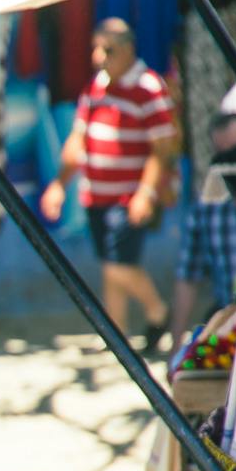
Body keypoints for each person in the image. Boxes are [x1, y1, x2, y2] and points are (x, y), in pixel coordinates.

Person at [40, 18, 179, 351]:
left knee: (118, 265)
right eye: (96, 49)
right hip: (95, 194)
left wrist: (146, 193)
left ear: (128, 49)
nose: (99, 56)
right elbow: (78, 140)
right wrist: (59, 184)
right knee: (111, 265)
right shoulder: (96, 87)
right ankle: (117, 336)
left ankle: (159, 312)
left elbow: (163, 147)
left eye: (108, 49)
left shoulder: (149, 87)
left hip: (128, 195)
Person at [171, 111, 236, 350]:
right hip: (229, 324)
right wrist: (175, 347)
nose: (232, 163)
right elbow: (188, 276)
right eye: (223, 154)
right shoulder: (207, 209)